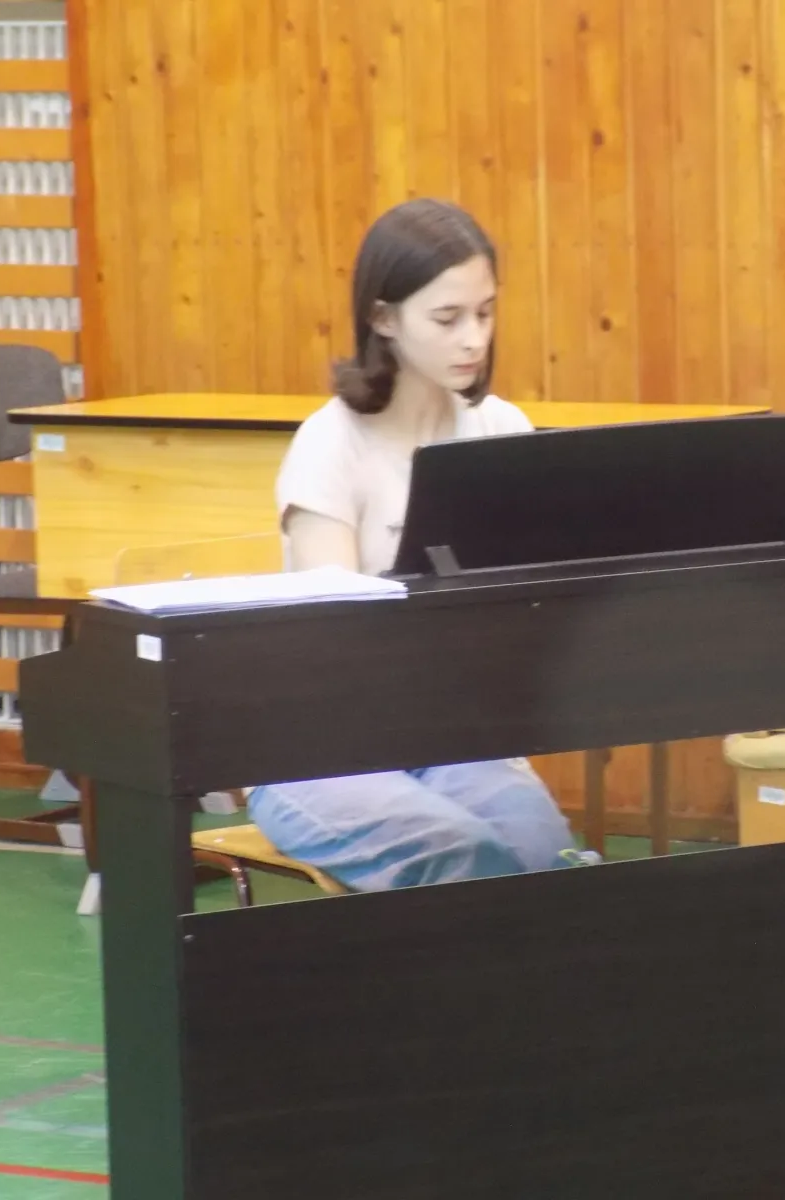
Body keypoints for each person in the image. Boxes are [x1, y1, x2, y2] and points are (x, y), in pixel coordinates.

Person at [247, 198, 596, 892]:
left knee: (552, 863)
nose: (474, 339)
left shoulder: (499, 428)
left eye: (486, 313)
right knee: (464, 857)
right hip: (316, 749)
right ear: (384, 319)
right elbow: (334, 640)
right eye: (448, 318)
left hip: (446, 733)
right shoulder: (329, 444)